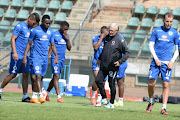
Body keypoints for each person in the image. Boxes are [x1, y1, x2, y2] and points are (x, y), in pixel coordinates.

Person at [0, 13, 40, 102]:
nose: (34, 25)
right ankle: (0, 89)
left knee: (26, 75)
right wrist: (14, 52)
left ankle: (25, 96)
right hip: (17, 55)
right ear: (29, 19)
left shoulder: (31, 29)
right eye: (33, 23)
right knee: (13, 74)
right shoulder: (20, 26)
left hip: (25, 56)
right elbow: (13, 39)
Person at [146, 12, 179, 115]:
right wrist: (156, 58)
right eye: (167, 21)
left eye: (171, 22)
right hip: (156, 61)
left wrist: (172, 61)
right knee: (152, 83)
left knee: (165, 84)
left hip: (167, 63)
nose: (169, 23)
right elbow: (151, 45)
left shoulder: (175, 33)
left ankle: (164, 108)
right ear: (163, 21)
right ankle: (151, 100)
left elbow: (178, 49)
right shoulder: (156, 31)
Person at [23, 15, 58, 104]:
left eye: (49, 23)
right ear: (42, 22)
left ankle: (34, 97)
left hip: (45, 58)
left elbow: (52, 45)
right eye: (46, 23)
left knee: (39, 77)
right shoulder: (35, 30)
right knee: (37, 76)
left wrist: (56, 56)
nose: (48, 25)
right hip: (35, 57)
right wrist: (25, 56)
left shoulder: (50, 32)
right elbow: (29, 43)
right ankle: (41, 96)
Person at [95, 23, 130, 108]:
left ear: (117, 31)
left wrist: (120, 62)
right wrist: (99, 59)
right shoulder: (106, 38)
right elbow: (105, 50)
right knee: (98, 80)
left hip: (113, 66)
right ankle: (104, 98)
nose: (110, 32)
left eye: (112, 31)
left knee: (111, 84)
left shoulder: (119, 40)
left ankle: (111, 103)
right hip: (104, 65)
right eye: (109, 30)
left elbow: (127, 53)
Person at [45, 21, 71, 103]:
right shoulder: (54, 34)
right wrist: (48, 55)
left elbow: (69, 48)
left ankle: (46, 93)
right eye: (64, 29)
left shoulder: (66, 36)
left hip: (62, 59)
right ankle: (58, 96)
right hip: (55, 58)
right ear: (61, 27)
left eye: (67, 30)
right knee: (56, 76)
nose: (65, 31)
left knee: (55, 77)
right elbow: (51, 46)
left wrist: (67, 40)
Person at [90, 26, 109, 106]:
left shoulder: (109, 40)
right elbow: (96, 47)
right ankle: (93, 95)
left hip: (105, 63)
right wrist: (101, 38)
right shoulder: (96, 38)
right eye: (102, 33)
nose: (104, 34)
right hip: (96, 62)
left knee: (103, 82)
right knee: (98, 80)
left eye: (105, 33)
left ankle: (99, 98)